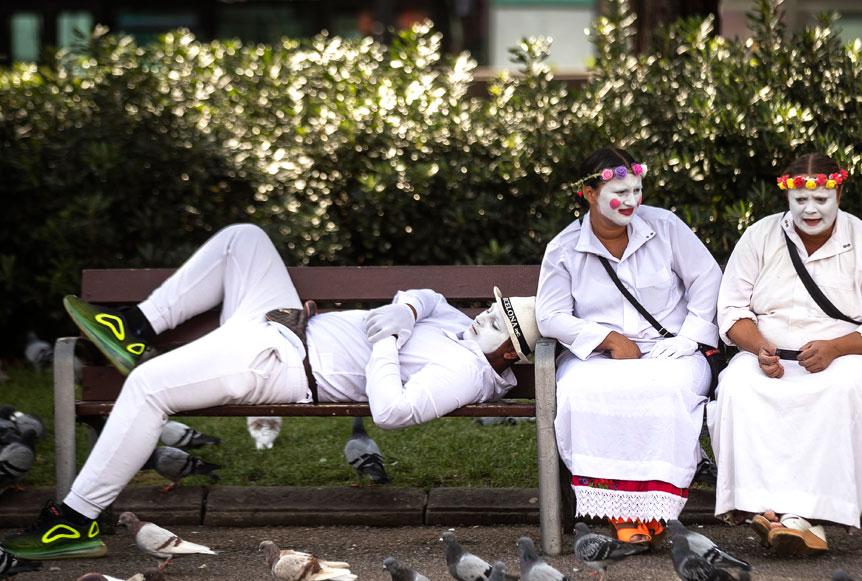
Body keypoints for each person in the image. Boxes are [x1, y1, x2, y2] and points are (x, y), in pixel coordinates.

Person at [1, 223, 540, 560]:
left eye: (498, 320)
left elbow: (394, 412)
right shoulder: (461, 326)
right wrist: (410, 308)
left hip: (280, 364)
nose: (485, 313)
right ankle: (134, 326)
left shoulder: (467, 373)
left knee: (146, 386)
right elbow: (428, 296)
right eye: (494, 306)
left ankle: (74, 520)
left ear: (509, 353)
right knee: (245, 238)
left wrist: (387, 342)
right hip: (278, 322)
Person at [708, 153, 862, 555]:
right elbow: (730, 311)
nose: (810, 209)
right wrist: (758, 347)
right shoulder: (760, 236)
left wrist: (836, 348)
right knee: (739, 386)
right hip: (771, 354)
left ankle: (804, 516)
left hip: (851, 356)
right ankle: (765, 508)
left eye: (820, 199)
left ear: (839, 191)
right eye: (800, 199)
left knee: (839, 389)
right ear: (788, 196)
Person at [536, 147, 722, 545]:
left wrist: (690, 336)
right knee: (583, 392)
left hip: (671, 350)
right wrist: (605, 339)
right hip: (599, 357)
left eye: (637, 190)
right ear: (588, 193)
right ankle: (621, 511)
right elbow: (550, 315)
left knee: (663, 389)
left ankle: (657, 507)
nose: (632, 201)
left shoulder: (666, 226)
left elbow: (707, 278)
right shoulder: (563, 248)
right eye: (620, 192)